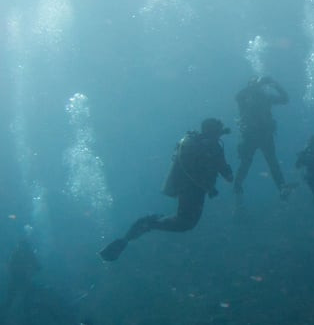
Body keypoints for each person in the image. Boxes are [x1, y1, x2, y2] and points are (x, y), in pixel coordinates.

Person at [100, 118, 233, 262]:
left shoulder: (207, 145)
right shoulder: (202, 146)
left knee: (186, 222)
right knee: (185, 222)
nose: (220, 133)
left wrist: (221, 176)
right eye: (218, 130)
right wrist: (209, 185)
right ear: (211, 131)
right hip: (190, 189)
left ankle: (145, 225)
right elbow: (191, 170)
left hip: (191, 189)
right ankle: (147, 224)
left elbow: (222, 170)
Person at [233, 75, 297, 200]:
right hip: (250, 134)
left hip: (264, 134)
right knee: (247, 162)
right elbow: (237, 97)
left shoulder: (265, 97)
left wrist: (275, 84)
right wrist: (254, 86)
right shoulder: (245, 97)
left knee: (272, 162)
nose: (259, 85)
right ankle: (237, 186)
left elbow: (285, 99)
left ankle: (282, 187)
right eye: (255, 83)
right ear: (250, 85)